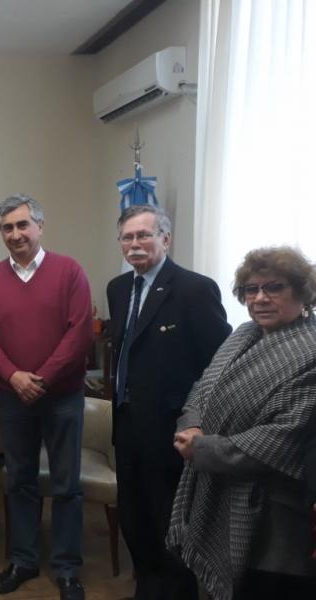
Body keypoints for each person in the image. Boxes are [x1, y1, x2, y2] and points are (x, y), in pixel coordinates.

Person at [167, 246, 316, 600]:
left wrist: (202, 448)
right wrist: (191, 426)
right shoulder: (242, 334)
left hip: (272, 515)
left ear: (302, 292)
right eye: (252, 289)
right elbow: (202, 388)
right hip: (217, 488)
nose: (260, 298)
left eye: (274, 287)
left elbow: (282, 437)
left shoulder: (310, 351)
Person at [106, 204, 231, 600]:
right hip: (127, 423)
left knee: (169, 520)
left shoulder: (195, 289)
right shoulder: (118, 288)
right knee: (134, 516)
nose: (135, 243)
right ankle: (147, 586)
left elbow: (218, 364)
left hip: (172, 428)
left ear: (166, 238)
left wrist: (198, 420)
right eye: (127, 237)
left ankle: (176, 592)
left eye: (144, 235)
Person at [0, 195, 92, 599]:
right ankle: (23, 560)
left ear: (40, 226)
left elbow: (80, 332)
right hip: (12, 398)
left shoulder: (69, 271)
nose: (16, 234)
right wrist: (13, 376)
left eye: (23, 225)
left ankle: (66, 568)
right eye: (7, 227)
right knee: (19, 481)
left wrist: (40, 378)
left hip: (62, 397)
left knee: (66, 484)